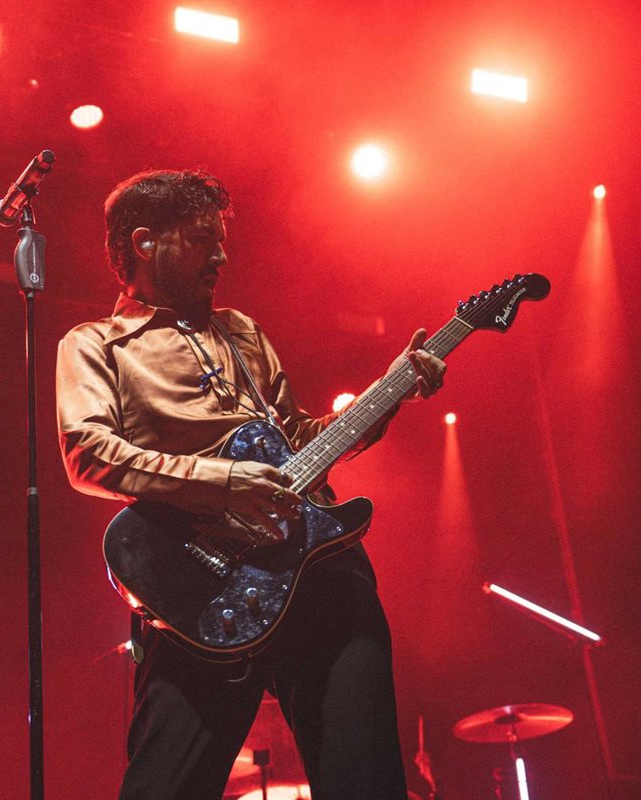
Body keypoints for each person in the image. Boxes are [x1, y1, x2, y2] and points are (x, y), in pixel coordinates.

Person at [55, 169, 447, 800]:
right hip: (196, 586)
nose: (221, 256)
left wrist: (389, 392)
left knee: (367, 780)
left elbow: (301, 439)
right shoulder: (94, 344)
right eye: (202, 239)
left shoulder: (242, 331)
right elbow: (89, 453)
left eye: (221, 241)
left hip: (318, 569)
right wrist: (222, 482)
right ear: (145, 242)